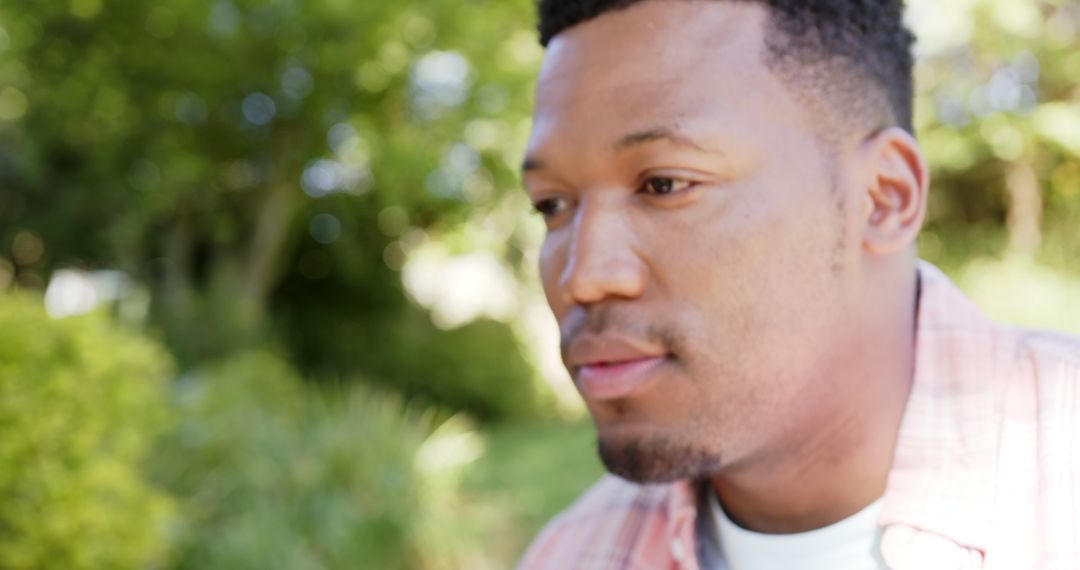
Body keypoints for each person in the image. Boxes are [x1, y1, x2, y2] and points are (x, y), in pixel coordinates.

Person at [516, 0, 1080, 568]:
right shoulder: (574, 553)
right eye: (553, 204)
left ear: (882, 197)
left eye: (664, 184)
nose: (583, 277)